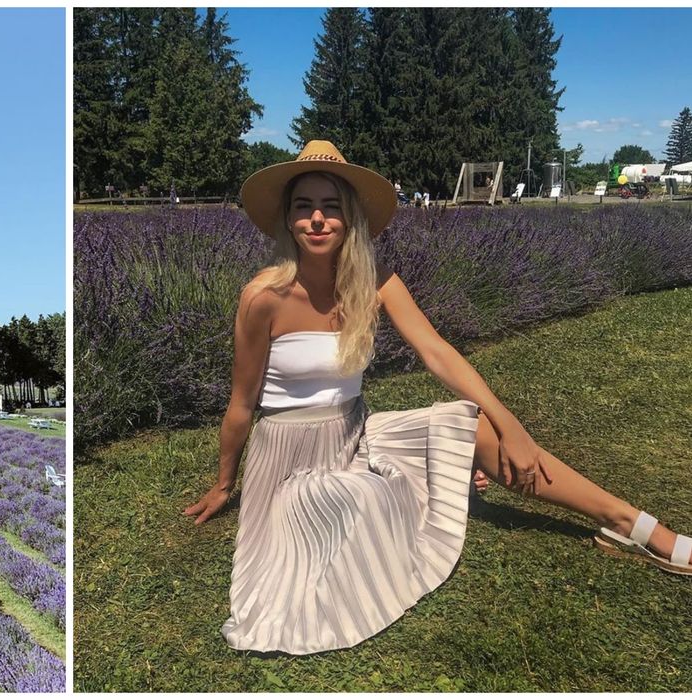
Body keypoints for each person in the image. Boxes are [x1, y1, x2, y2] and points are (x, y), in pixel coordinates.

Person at [182, 140, 691, 656]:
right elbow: (241, 404)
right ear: (287, 218)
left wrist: (510, 423)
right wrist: (224, 485)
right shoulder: (263, 296)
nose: (317, 219)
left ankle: (628, 523)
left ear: (350, 217)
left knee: (472, 427)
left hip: (354, 435)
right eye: (303, 206)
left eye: (331, 206)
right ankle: (433, 478)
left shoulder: (374, 281)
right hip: (289, 460)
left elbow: (437, 352)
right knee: (344, 500)